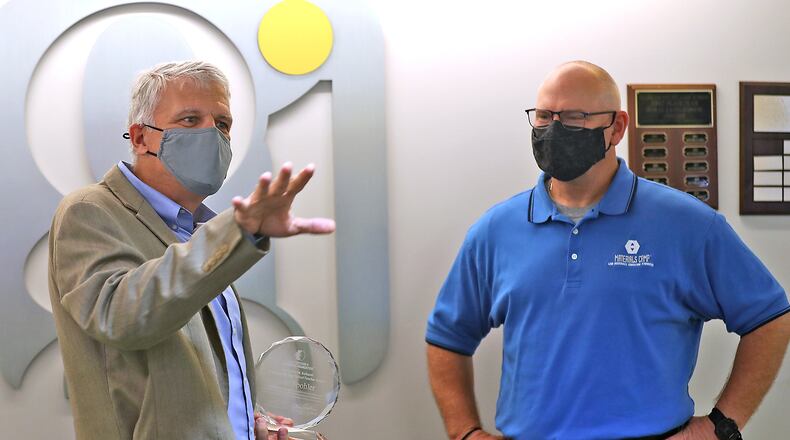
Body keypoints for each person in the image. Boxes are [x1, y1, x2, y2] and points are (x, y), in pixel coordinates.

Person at [425, 61, 790, 440]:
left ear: (616, 127)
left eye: (574, 116)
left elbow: (770, 318)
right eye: (545, 115)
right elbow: (447, 336)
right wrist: (464, 432)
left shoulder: (687, 225)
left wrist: (721, 427)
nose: (553, 129)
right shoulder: (495, 230)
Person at [48, 61, 335, 440]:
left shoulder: (198, 232)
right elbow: (125, 318)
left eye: (222, 124)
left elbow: (196, 389)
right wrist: (237, 230)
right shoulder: (90, 211)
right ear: (139, 138)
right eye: (189, 119)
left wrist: (244, 429)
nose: (211, 134)